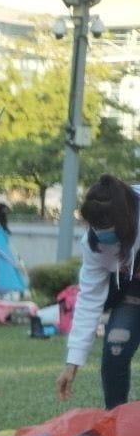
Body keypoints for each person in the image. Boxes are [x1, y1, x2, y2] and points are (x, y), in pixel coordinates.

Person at [56, 174, 140, 409]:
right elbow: (89, 299)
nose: (105, 237)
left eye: (111, 231)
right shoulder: (94, 244)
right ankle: (116, 425)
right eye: (98, 229)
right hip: (133, 288)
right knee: (116, 346)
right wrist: (73, 362)